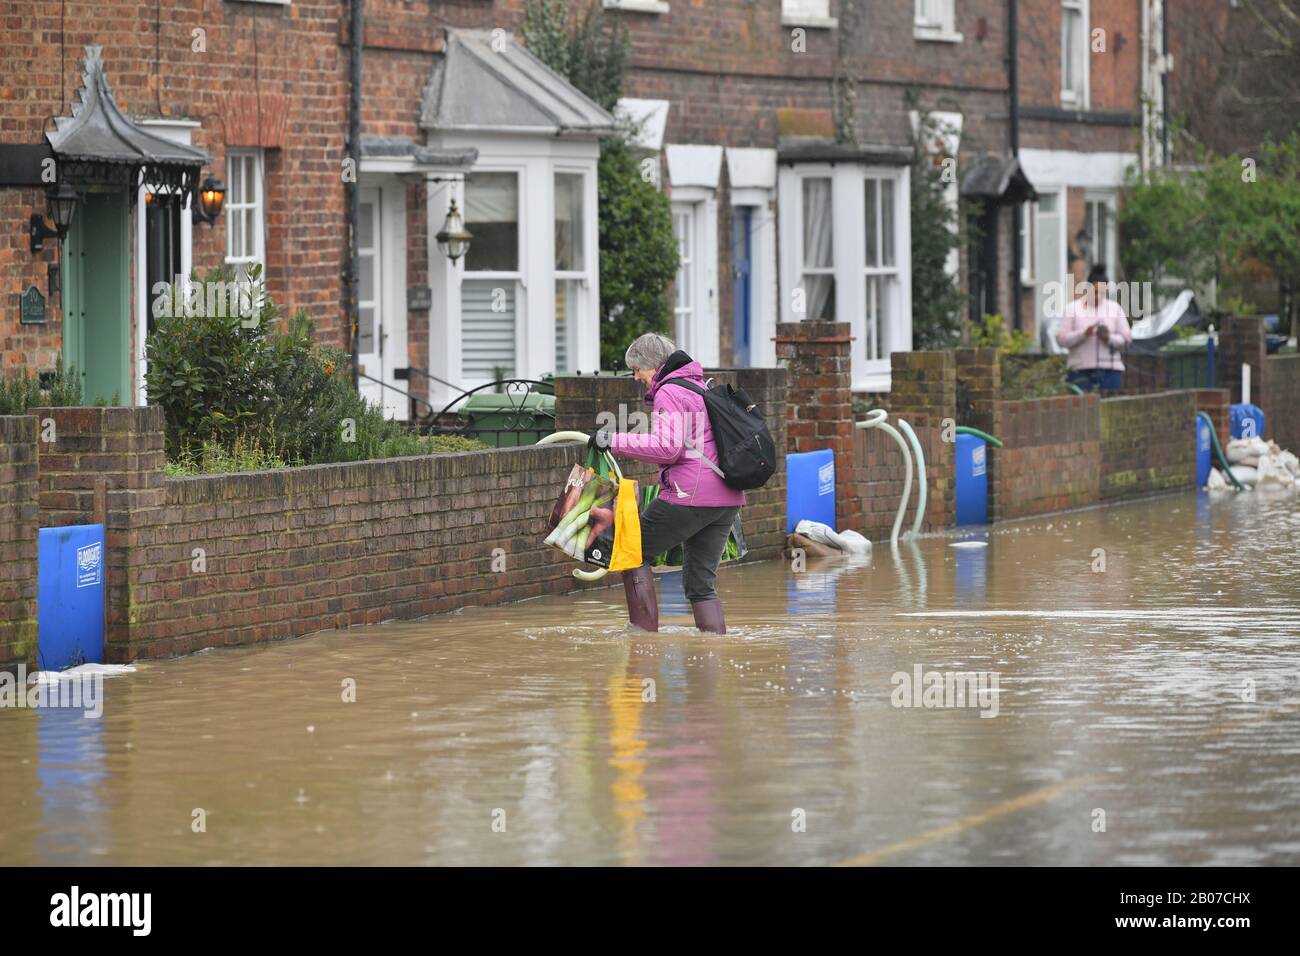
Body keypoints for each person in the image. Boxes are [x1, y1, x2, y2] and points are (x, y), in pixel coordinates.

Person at [592, 333, 743, 634]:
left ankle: (642, 639)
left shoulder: (670, 391)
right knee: (701, 585)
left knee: (631, 551)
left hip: (691, 496)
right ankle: (714, 651)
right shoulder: (699, 385)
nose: (635, 376)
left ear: (653, 365)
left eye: (637, 369)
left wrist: (613, 440)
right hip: (726, 499)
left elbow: (668, 447)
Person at [1055, 264, 1131, 393]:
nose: (1098, 297)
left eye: (1102, 293)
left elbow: (1127, 339)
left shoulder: (1115, 309)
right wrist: (1083, 334)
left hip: (1110, 370)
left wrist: (1108, 338)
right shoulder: (1073, 308)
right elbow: (1061, 339)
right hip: (1079, 370)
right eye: (1095, 292)